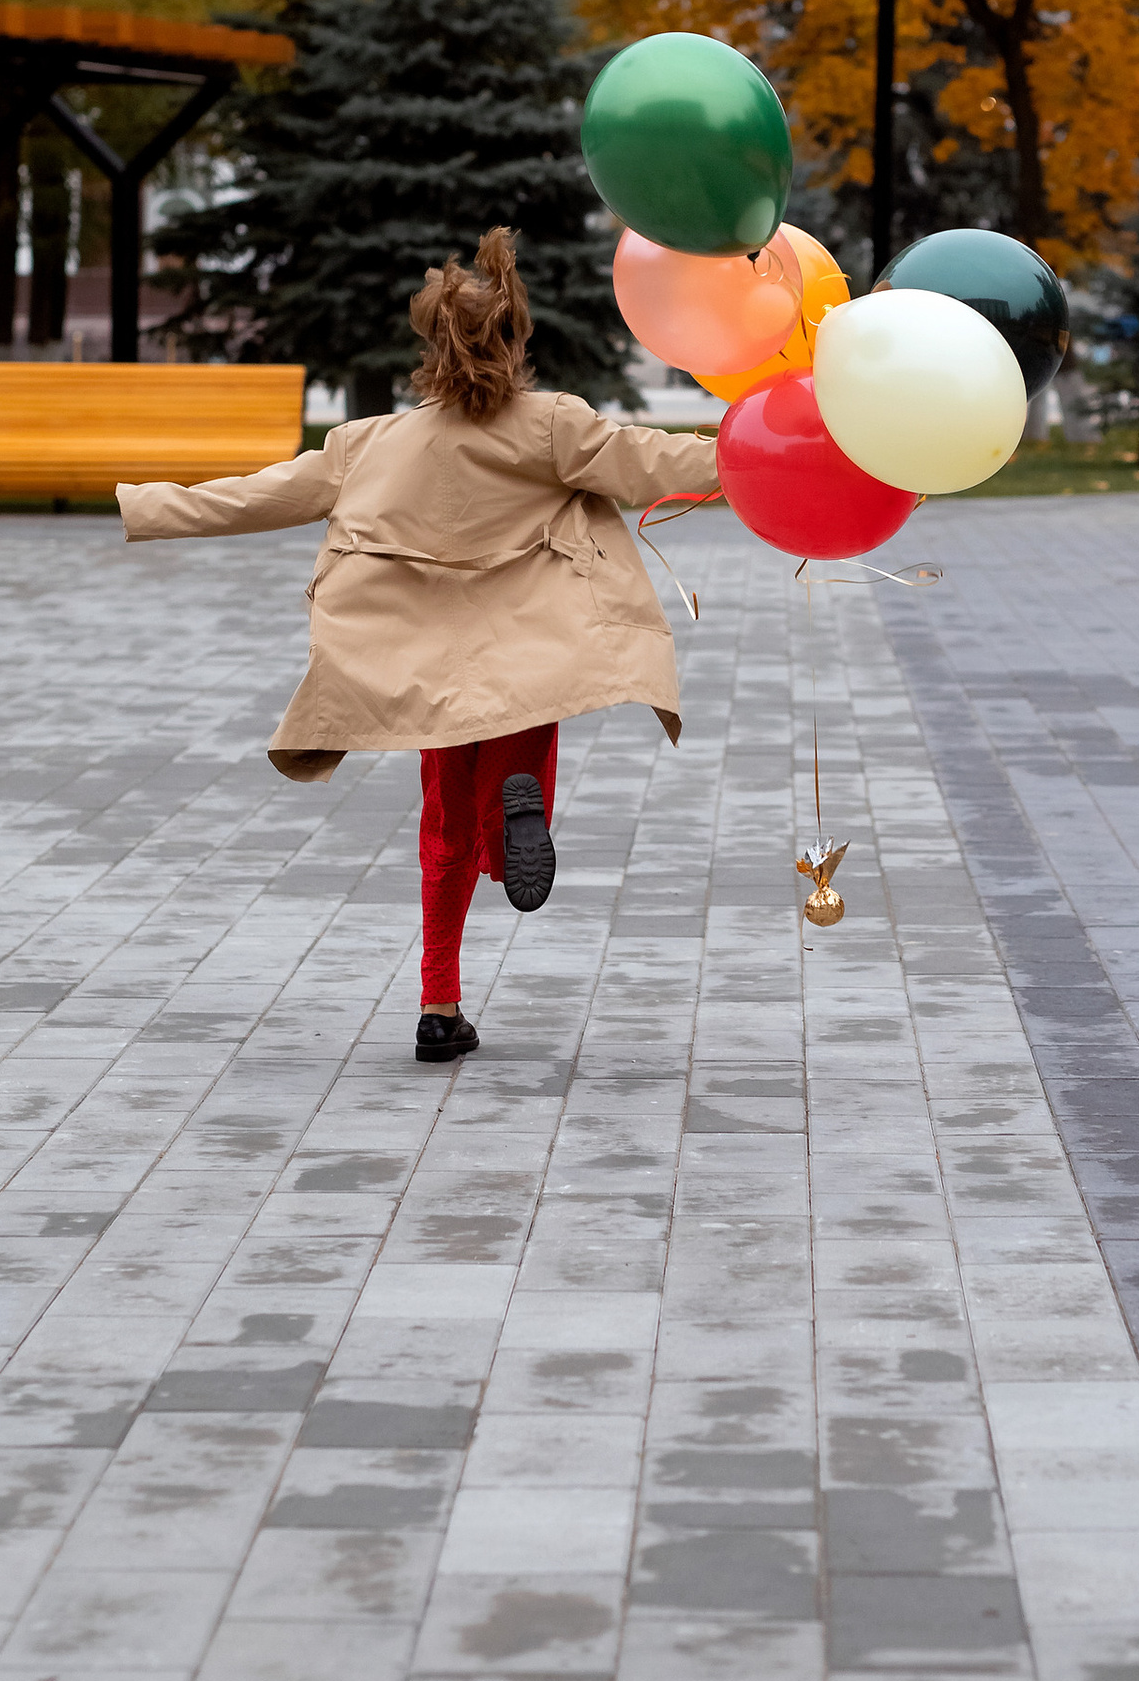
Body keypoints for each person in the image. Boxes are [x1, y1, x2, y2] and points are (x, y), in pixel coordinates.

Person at [116, 228, 721, 1065]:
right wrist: (766, 457)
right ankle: (522, 820)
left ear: (430, 349)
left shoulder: (369, 444)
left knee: (442, 826)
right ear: (514, 342)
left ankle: (440, 1004)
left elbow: (258, 496)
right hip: (525, 651)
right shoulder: (552, 426)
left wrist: (143, 507)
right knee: (526, 748)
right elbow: (659, 462)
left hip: (428, 665)